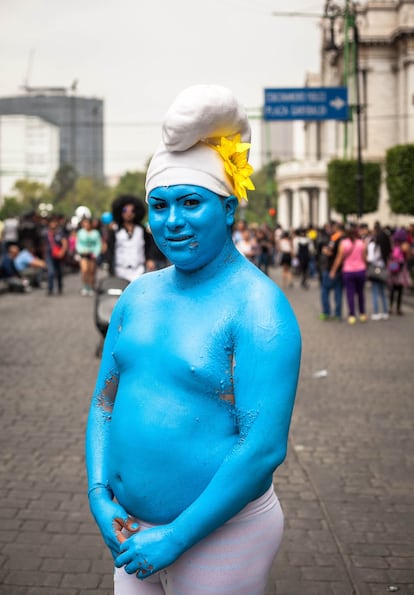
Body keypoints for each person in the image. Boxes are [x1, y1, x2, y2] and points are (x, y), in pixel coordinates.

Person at [86, 84, 301, 595]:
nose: (172, 221)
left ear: (228, 209)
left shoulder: (259, 308)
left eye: (190, 202)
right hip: (132, 533)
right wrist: (98, 492)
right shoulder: (137, 294)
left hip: (224, 539)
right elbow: (103, 403)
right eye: (159, 205)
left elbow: (262, 448)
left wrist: (177, 537)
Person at [106, 195, 152, 283]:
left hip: (139, 271)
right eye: (125, 210)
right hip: (120, 271)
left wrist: (149, 259)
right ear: (120, 212)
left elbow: (148, 246)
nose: (129, 213)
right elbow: (110, 251)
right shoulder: (115, 230)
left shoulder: (142, 230)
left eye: (132, 211)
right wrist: (111, 270)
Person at [330, 223, 367, 324]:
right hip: (360, 270)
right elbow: (364, 258)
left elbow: (339, 258)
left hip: (348, 271)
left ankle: (352, 315)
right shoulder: (361, 243)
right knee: (360, 293)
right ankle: (362, 314)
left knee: (350, 293)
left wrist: (333, 270)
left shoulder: (344, 243)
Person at [319, 221, 344, 321]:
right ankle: (338, 313)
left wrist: (324, 250)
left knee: (325, 290)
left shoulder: (335, 238)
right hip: (342, 269)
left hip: (331, 268)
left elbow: (330, 252)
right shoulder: (347, 238)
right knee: (338, 292)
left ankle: (326, 312)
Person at [366, 223, 391, 320]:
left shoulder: (373, 245)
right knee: (383, 292)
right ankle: (385, 311)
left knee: (375, 292)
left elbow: (371, 258)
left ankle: (376, 312)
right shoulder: (386, 245)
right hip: (383, 268)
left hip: (375, 268)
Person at [76, 216, 102, 296]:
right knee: (84, 270)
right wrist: (81, 251)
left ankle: (91, 287)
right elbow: (78, 243)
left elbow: (98, 244)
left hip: (92, 254)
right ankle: (85, 287)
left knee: (91, 271)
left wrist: (96, 253)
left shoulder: (96, 233)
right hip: (83, 254)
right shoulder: (80, 232)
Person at [388, 228, 411, 315]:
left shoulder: (392, 244)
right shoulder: (405, 245)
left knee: (392, 290)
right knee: (400, 290)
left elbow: (389, 256)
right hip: (401, 270)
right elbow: (408, 257)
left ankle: (390, 307)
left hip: (393, 267)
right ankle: (398, 308)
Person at [44, 215, 68, 296]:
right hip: (49, 255)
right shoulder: (46, 233)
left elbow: (65, 243)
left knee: (59, 272)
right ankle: (50, 289)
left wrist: (62, 252)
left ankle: (60, 287)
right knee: (50, 272)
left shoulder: (60, 233)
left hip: (59, 255)